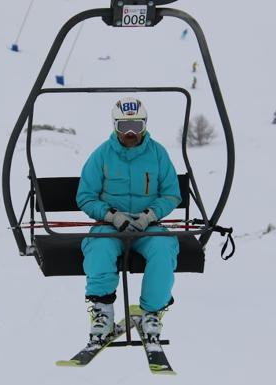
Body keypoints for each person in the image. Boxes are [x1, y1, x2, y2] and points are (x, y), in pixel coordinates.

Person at [76, 97, 181, 344]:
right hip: (111, 226)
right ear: (115, 126)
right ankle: (103, 312)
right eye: (124, 127)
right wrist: (111, 215)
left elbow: (171, 193)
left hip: (147, 227)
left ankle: (151, 312)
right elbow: (85, 196)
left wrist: (150, 215)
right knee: (98, 245)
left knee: (164, 246)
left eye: (137, 126)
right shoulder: (101, 155)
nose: (131, 133)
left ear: (145, 125)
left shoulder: (158, 154)